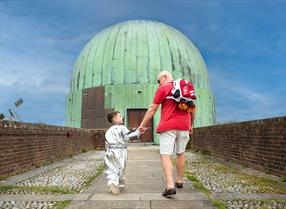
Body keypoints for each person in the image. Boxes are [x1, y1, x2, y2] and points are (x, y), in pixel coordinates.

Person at [138, 71, 196, 198]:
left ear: (164, 77)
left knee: (165, 154)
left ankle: (170, 186)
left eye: (159, 81)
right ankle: (179, 180)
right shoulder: (186, 87)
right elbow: (192, 109)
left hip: (168, 126)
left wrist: (142, 124)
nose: (159, 84)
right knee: (180, 153)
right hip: (184, 126)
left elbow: (152, 108)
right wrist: (191, 125)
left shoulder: (163, 88)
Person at [104, 111, 140, 195]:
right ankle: (119, 185)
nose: (122, 118)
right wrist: (138, 133)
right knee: (121, 168)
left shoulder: (108, 131)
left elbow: (106, 142)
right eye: (120, 116)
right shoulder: (122, 128)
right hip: (121, 151)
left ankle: (112, 182)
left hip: (110, 151)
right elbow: (128, 138)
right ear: (115, 119)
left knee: (111, 168)